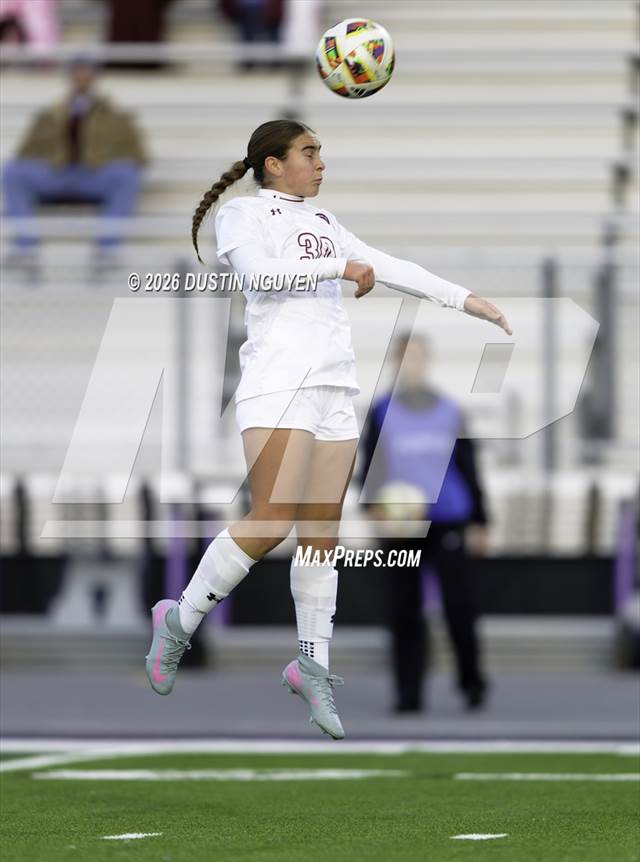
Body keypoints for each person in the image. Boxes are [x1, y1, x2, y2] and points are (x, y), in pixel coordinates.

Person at [144, 119, 512, 740]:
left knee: (320, 536)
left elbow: (389, 265)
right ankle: (178, 622)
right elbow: (257, 276)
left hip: (335, 390)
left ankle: (311, 665)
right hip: (278, 384)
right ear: (272, 165)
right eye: (309, 153)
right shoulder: (244, 216)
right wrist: (338, 268)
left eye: (321, 153)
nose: (320, 164)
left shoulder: (324, 222)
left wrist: (464, 298)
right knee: (271, 521)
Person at [359, 332, 491, 714]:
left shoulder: (449, 410)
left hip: (447, 520)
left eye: (417, 358)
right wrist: (374, 508)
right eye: (404, 359)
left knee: (459, 606)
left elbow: (468, 465)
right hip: (403, 528)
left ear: (426, 362)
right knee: (404, 611)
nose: (410, 365)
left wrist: (481, 519)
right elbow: (372, 466)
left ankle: (471, 680)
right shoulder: (382, 411)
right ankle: (408, 692)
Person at [2, 55, 148, 276]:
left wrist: (103, 157)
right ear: (70, 77)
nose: (82, 76)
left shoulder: (116, 117)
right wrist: (50, 155)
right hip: (57, 175)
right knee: (13, 172)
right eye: (77, 71)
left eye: (87, 71)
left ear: (94, 78)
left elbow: (138, 156)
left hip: (94, 176)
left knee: (127, 174)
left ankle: (107, 249)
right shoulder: (50, 114)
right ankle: (26, 245)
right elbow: (25, 153)